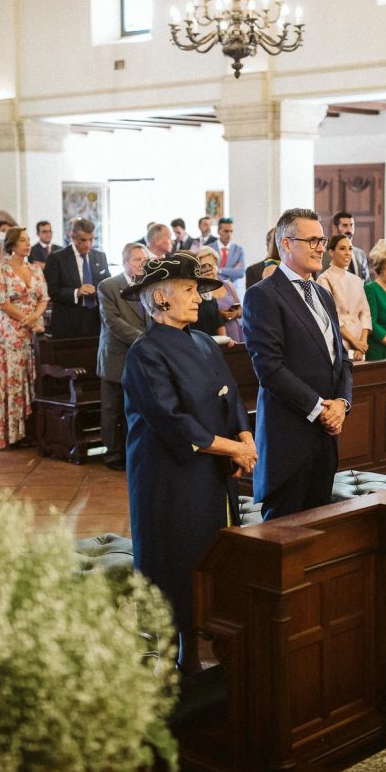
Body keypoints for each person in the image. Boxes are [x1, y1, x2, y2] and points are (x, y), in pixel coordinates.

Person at [120, 252, 255, 671]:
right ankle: (181, 660)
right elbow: (171, 420)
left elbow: (230, 393)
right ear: (161, 298)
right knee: (177, 563)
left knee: (213, 557)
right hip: (170, 478)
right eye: (190, 290)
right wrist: (234, 449)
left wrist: (244, 435)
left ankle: (208, 643)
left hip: (212, 471)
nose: (199, 298)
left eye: (198, 290)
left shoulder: (201, 340)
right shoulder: (145, 353)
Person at [243, 208, 353, 520]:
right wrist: (320, 409)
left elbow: (341, 358)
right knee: (284, 534)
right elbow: (270, 368)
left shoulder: (321, 293)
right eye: (313, 240)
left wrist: (342, 403)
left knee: (318, 528)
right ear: (286, 244)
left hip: (325, 437)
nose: (322, 247)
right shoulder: (263, 295)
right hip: (289, 436)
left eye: (323, 239)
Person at [0, 227, 49, 449]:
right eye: (23, 241)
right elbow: (1, 301)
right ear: (12, 245)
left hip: (33, 327)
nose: (28, 244)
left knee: (32, 374)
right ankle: (13, 432)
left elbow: (44, 298)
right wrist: (24, 317)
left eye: (28, 240)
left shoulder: (35, 269)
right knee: (14, 376)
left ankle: (33, 429)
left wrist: (35, 316)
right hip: (12, 330)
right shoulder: (2, 270)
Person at [96, 242, 150, 471]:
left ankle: (133, 450)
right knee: (112, 407)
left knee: (136, 406)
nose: (142, 265)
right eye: (138, 260)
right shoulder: (108, 286)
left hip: (142, 358)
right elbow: (113, 321)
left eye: (145, 261)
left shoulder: (147, 285)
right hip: (116, 355)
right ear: (126, 261)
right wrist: (143, 339)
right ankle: (112, 453)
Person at [43, 217, 109, 339]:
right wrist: (76, 292)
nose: (87, 244)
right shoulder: (57, 258)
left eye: (91, 239)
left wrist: (98, 290)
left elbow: (107, 285)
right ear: (72, 237)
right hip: (68, 321)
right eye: (83, 240)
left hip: (95, 320)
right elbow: (52, 291)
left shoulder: (100, 257)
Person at [317, 234, 370, 361]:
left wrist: (362, 343)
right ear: (331, 252)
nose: (348, 253)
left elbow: (365, 313)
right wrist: (353, 341)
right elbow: (331, 315)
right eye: (342, 249)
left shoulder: (357, 280)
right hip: (338, 340)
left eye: (350, 249)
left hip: (360, 344)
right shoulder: (324, 279)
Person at [192, 245, 242, 340]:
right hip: (215, 338)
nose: (209, 269)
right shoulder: (198, 292)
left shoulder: (228, 285)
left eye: (212, 265)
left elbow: (240, 309)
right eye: (204, 266)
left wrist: (236, 313)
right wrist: (219, 314)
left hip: (236, 334)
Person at [332, 211, 369, 281]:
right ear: (335, 228)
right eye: (345, 225)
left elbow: (366, 281)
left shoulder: (361, 254)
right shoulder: (326, 254)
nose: (349, 230)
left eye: (351, 225)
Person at [213, 217, 245, 284]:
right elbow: (209, 271)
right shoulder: (209, 248)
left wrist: (219, 270)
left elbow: (240, 273)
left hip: (232, 290)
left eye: (231, 231)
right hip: (214, 288)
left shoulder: (239, 250)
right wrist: (232, 271)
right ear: (218, 231)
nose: (229, 234)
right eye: (226, 231)